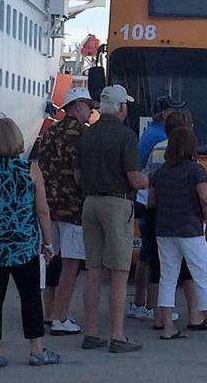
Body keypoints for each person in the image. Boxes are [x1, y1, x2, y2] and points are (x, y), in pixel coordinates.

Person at [0, 117, 60, 368]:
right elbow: (42, 210)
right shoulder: (30, 169)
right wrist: (48, 244)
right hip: (24, 247)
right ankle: (36, 350)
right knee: (30, 298)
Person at [149, 126, 207, 341]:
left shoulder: (159, 172)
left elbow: (152, 201)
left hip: (164, 229)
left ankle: (168, 327)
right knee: (203, 277)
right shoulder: (195, 170)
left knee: (168, 278)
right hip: (190, 229)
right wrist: (205, 217)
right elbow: (206, 199)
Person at [77, 85, 148, 353]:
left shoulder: (88, 134)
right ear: (120, 108)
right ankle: (117, 336)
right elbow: (134, 178)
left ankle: (91, 332)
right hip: (117, 203)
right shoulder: (126, 135)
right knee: (119, 272)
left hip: (90, 203)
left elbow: (78, 177)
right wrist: (148, 180)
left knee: (93, 269)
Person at [38, 88, 97, 336]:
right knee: (71, 264)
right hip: (74, 208)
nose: (91, 111)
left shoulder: (50, 133)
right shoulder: (83, 135)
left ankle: (48, 312)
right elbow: (82, 174)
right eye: (87, 106)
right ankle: (61, 317)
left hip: (50, 206)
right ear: (76, 106)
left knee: (53, 261)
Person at [130, 96, 187, 320]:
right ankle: (151, 306)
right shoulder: (160, 138)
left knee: (147, 254)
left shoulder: (151, 134)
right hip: (152, 202)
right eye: (174, 110)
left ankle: (140, 302)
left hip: (143, 200)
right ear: (165, 114)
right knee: (154, 256)